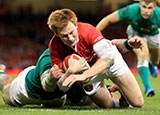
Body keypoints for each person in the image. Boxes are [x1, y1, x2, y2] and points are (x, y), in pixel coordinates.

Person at [47, 8, 144, 108]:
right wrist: (70, 72)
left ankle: (119, 87)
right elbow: (61, 85)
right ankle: (111, 92)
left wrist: (84, 76)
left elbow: (109, 57)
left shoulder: (88, 31)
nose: (70, 38)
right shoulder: (54, 47)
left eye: (72, 32)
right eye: (65, 36)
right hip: (90, 75)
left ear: (75, 25)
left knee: (138, 103)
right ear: (57, 34)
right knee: (108, 106)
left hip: (111, 64)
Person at [0, 49, 127, 108]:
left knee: (91, 100)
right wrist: (51, 77)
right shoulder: (49, 58)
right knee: (6, 88)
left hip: (59, 96)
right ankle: (1, 72)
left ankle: (121, 101)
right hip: (28, 90)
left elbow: (95, 93)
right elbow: (47, 87)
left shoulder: (83, 57)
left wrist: (110, 90)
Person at [96, 0, 160, 96]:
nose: (146, 10)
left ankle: (152, 65)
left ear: (155, 7)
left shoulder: (159, 14)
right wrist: (94, 35)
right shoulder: (131, 10)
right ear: (139, 5)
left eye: (149, 8)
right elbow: (107, 19)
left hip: (154, 35)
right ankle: (148, 89)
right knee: (143, 55)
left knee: (155, 60)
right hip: (136, 33)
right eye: (144, 7)